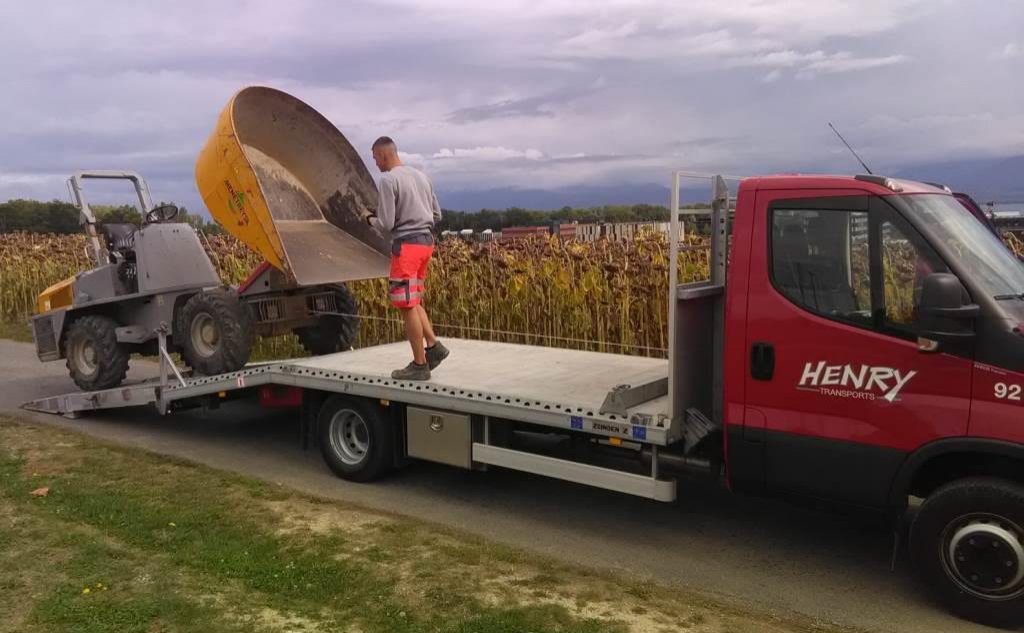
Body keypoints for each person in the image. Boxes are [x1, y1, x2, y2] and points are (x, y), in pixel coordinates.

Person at [361, 136, 449, 380]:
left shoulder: (388, 180)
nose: (375, 163)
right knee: (414, 299)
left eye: (375, 158)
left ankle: (419, 366)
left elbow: (387, 224)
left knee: (406, 306)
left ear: (383, 154)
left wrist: (369, 218)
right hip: (426, 244)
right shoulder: (422, 177)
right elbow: (437, 214)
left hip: (406, 248)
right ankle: (433, 346)